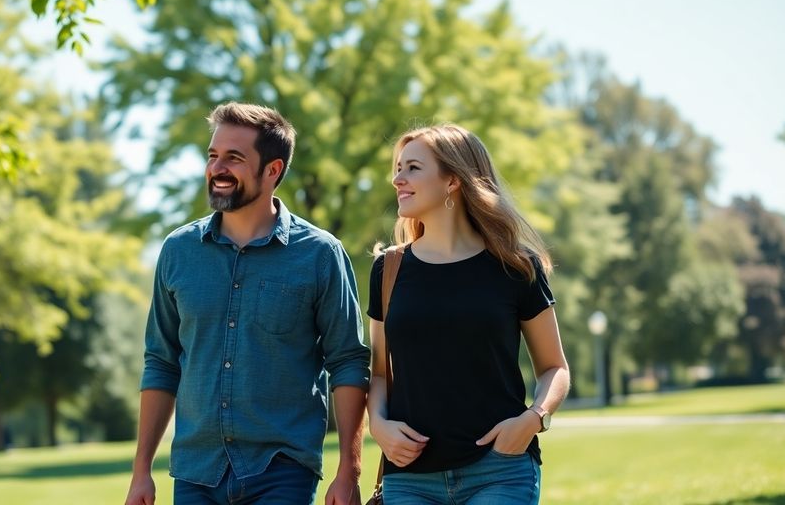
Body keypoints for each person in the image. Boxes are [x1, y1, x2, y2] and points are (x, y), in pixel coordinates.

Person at [125, 102, 371, 505]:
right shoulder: (177, 251)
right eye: (213, 156)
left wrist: (349, 470)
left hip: (281, 470)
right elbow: (162, 362)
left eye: (234, 158)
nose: (217, 168)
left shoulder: (320, 255)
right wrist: (141, 472)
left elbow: (347, 361)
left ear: (272, 171)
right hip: (195, 472)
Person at [366, 124, 570, 504]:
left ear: (452, 181)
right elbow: (379, 372)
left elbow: (554, 368)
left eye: (412, 168)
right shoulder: (388, 269)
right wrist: (378, 425)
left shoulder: (515, 266)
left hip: (500, 471)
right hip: (409, 479)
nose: (397, 179)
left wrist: (532, 420)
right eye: (397, 168)